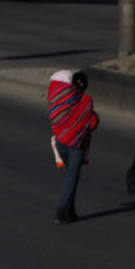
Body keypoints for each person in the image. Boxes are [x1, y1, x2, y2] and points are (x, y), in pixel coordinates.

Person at [48, 70, 98, 223]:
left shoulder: (60, 98)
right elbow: (92, 123)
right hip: (77, 145)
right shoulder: (87, 101)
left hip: (60, 142)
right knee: (72, 178)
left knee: (72, 177)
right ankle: (61, 212)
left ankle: (71, 211)